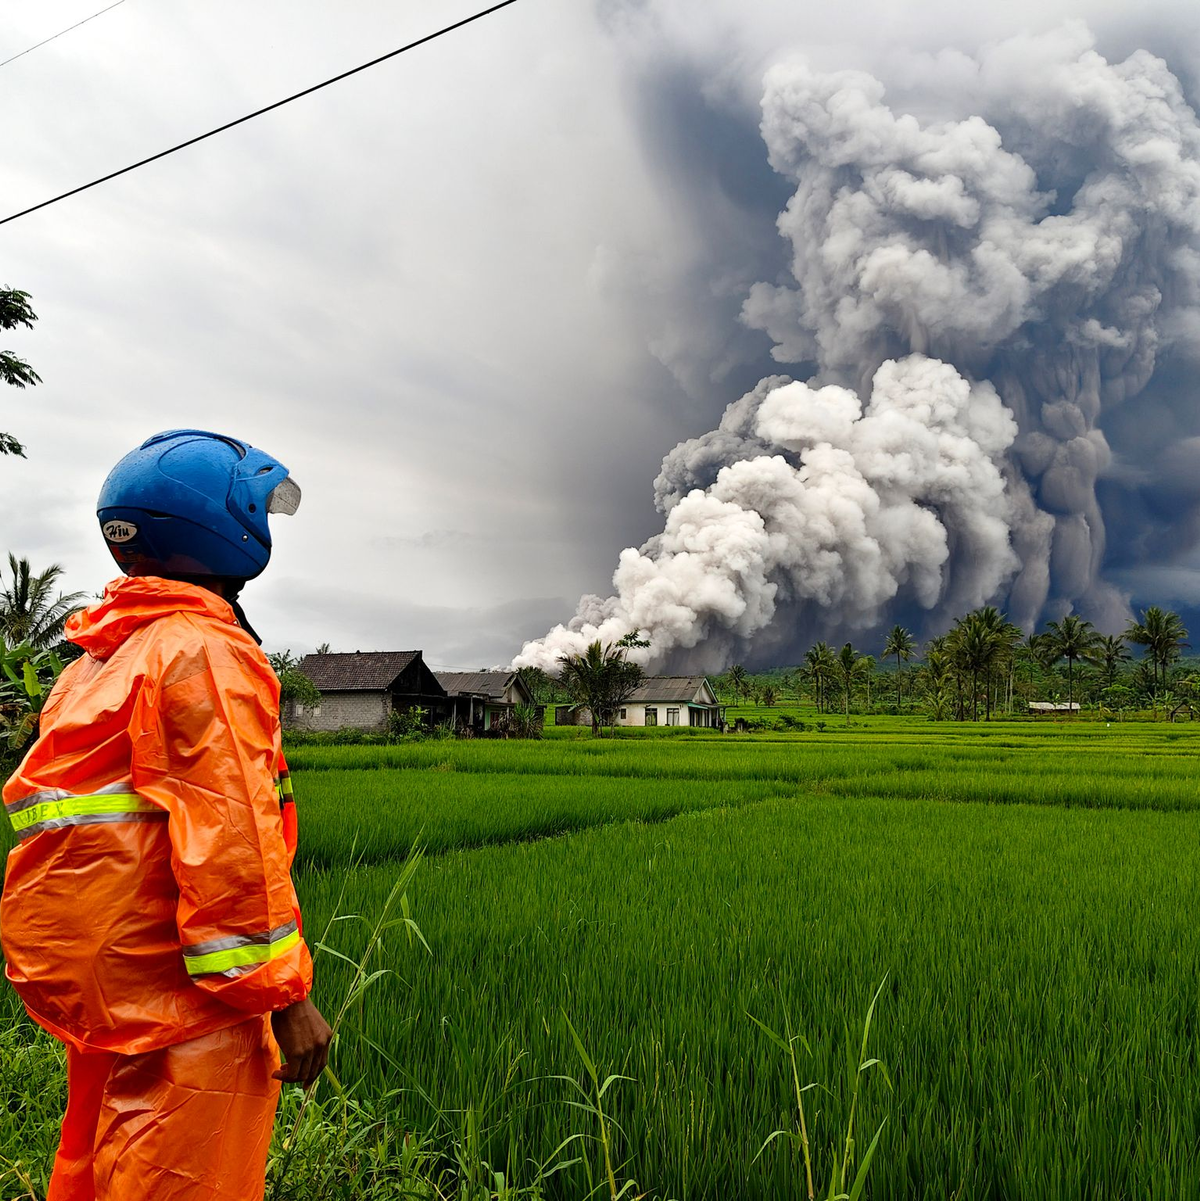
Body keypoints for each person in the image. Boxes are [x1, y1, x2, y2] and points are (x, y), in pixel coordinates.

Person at [1, 429, 331, 1201]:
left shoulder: (99, 659)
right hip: (192, 1005)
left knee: (101, 1170)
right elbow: (232, 842)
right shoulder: (201, 654)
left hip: (117, 991)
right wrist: (285, 998)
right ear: (225, 527)